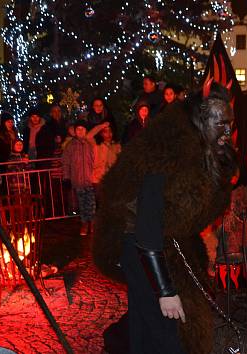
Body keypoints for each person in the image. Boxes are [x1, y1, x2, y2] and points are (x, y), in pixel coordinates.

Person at [94, 81, 237, 353]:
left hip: (165, 240)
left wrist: (223, 167)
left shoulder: (200, 146)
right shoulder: (167, 148)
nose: (227, 131)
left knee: (151, 324)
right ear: (201, 117)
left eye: (230, 123)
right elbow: (146, 225)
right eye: (221, 123)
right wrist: (164, 290)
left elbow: (192, 213)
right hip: (140, 245)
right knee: (165, 328)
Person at [62, 121, 105, 236]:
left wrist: (97, 174)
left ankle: (92, 223)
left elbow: (97, 159)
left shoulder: (90, 143)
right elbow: (66, 162)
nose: (80, 131)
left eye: (82, 129)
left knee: (91, 203)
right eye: (78, 129)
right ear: (75, 131)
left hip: (91, 179)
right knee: (82, 203)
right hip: (78, 180)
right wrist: (66, 177)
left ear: (85, 131)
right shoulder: (70, 146)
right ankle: (84, 223)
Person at [91, 123, 121, 206]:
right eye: (105, 132)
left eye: (110, 131)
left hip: (111, 179)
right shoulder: (96, 146)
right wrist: (101, 126)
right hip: (98, 179)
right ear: (101, 134)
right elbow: (88, 136)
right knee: (101, 203)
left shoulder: (116, 146)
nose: (108, 134)